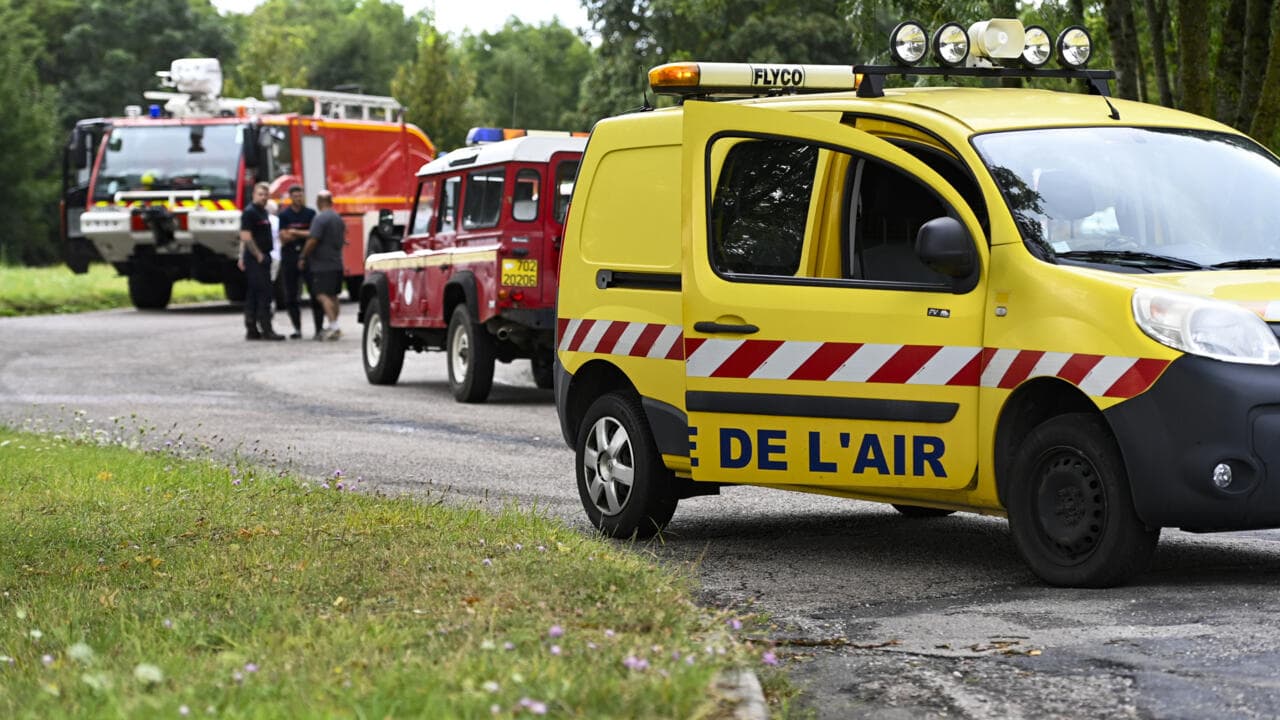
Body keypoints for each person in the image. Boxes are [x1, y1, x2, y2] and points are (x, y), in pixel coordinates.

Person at [239, 182, 285, 341]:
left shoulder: (263, 212)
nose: (263, 197)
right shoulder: (250, 212)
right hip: (256, 259)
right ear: (254, 195)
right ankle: (266, 329)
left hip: (264, 256)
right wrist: (258, 255)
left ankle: (252, 329)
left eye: (266, 195)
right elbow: (245, 237)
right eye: (260, 194)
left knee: (254, 293)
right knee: (264, 294)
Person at [299, 190, 345, 340]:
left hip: (322, 264)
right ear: (331, 202)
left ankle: (333, 326)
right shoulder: (338, 218)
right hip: (337, 262)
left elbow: (313, 239)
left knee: (321, 295)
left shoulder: (320, 219)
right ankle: (335, 324)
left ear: (319, 202)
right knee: (334, 295)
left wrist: (303, 256)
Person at [276, 185, 320, 339]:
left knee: (315, 293)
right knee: (291, 295)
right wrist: (303, 234)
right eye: (295, 196)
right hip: (289, 257)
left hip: (308, 255)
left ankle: (318, 329)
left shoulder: (310, 213)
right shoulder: (284, 215)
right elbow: (283, 237)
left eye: (300, 196)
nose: (298, 199)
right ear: (290, 197)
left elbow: (314, 234)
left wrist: (295, 232)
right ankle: (297, 328)